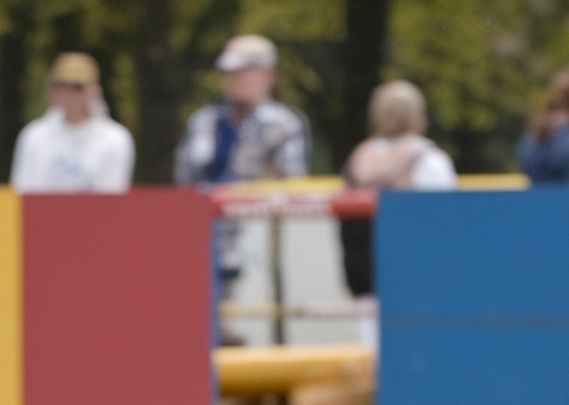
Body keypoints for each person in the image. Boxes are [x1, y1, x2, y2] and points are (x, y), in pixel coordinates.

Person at [339, 80, 457, 299]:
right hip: (419, 274)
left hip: (364, 273)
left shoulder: (358, 157)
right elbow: (448, 219)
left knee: (371, 332)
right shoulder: (428, 158)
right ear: (418, 115)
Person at [173, 34, 309, 188]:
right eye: (230, 71)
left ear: (268, 75)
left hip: (257, 210)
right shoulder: (202, 121)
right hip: (202, 210)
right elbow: (184, 184)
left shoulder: (285, 125)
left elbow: (291, 187)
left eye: (244, 71)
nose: (235, 78)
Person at [10, 53, 134, 193]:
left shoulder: (114, 138)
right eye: (61, 86)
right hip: (43, 214)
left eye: (77, 87)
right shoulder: (34, 135)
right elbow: (22, 191)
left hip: (94, 214)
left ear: (94, 91)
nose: (68, 94)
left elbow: (113, 196)